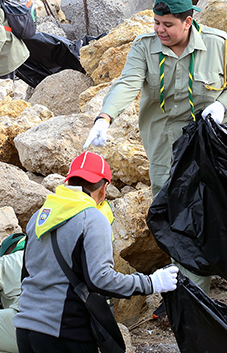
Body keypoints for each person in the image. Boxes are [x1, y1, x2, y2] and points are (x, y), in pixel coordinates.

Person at [87, 0, 227, 289]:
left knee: (213, 208)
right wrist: (105, 117)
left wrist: (222, 104)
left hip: (212, 146)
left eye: (168, 24)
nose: (160, 30)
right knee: (175, 213)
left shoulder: (219, 46)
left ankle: (215, 265)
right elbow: (127, 83)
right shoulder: (145, 48)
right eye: (156, 23)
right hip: (166, 146)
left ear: (188, 22)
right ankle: (190, 287)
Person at [13, 151, 179, 352]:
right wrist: (152, 283)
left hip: (25, 328)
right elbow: (101, 278)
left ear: (69, 181)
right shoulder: (92, 218)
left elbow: (26, 274)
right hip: (65, 332)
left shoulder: (40, 216)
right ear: (104, 188)